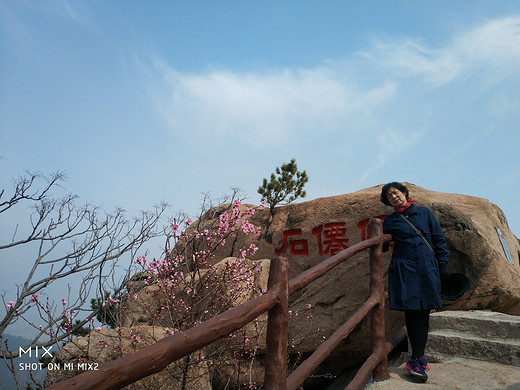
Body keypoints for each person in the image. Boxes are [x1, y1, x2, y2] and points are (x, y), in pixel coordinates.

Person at [380, 182, 450, 382]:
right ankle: (417, 359)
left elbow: (438, 238)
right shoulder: (390, 221)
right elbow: (383, 246)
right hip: (405, 268)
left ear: (404, 193)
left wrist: (443, 263)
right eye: (389, 196)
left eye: (396, 192)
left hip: (427, 266)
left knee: (423, 310)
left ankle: (417, 357)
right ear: (387, 202)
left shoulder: (424, 213)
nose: (393, 196)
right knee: (412, 311)